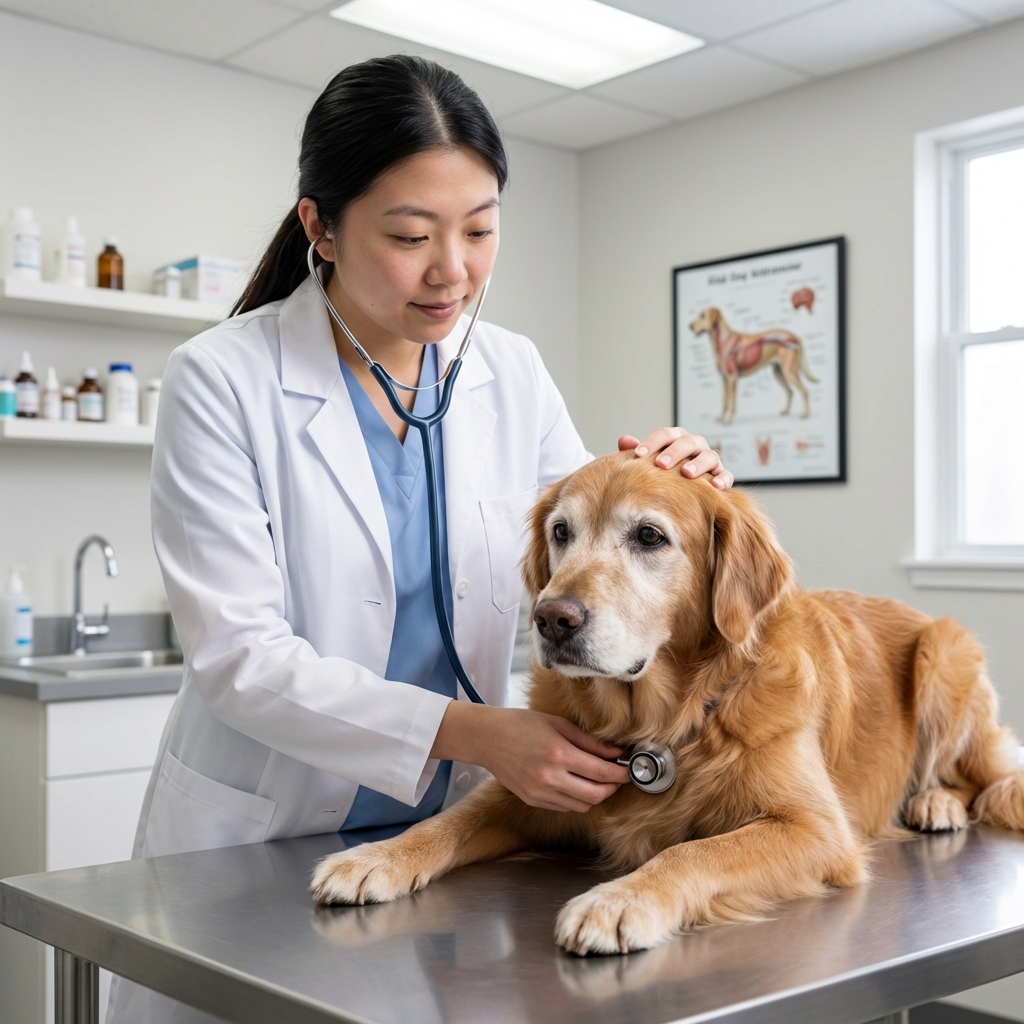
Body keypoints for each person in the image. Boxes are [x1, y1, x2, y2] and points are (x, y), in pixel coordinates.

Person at [106, 54, 731, 1023]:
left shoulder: (508, 371)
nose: (454, 271)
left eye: (480, 230)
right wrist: (476, 733)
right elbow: (239, 656)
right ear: (319, 225)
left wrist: (679, 482)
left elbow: (585, 556)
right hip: (266, 831)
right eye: (409, 236)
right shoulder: (222, 379)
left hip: (460, 835)